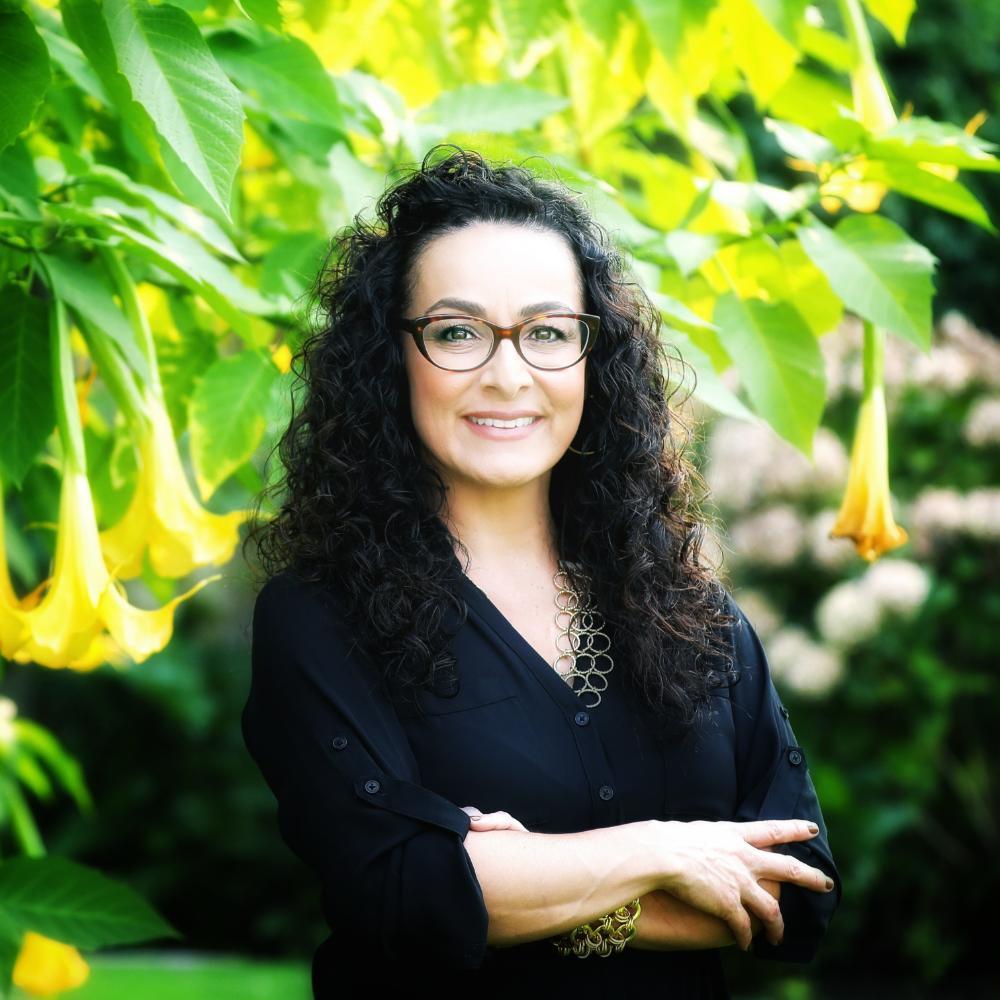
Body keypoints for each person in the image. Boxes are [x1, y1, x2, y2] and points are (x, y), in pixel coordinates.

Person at [240, 144, 842, 998]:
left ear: (595, 360)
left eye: (549, 332)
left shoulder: (691, 613)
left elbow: (797, 894)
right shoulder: (317, 618)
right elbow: (398, 891)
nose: (508, 374)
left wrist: (517, 882)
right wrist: (662, 854)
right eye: (456, 332)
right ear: (389, 359)